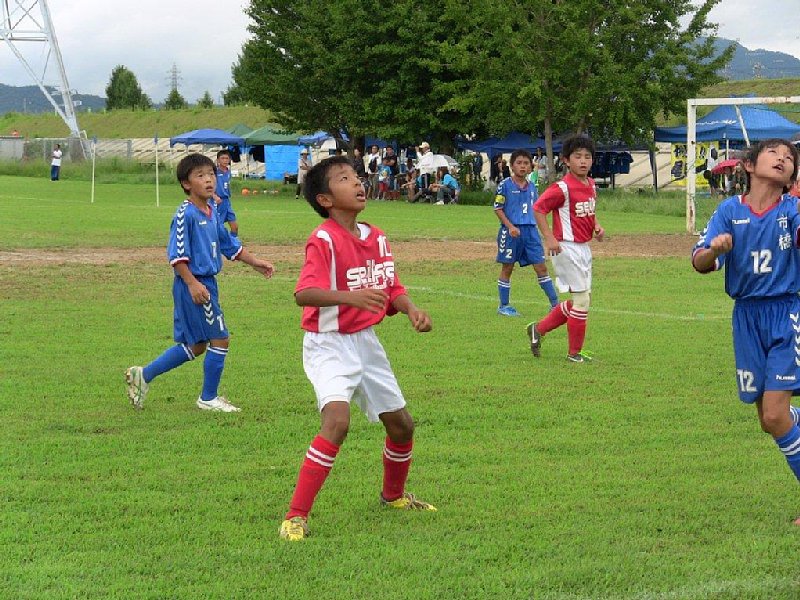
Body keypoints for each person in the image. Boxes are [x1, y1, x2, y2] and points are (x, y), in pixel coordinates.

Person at [279, 155, 436, 541]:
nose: (357, 182)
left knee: (402, 426)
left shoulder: (376, 236)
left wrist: (411, 310)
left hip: (365, 342)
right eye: (344, 179)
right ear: (326, 199)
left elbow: (391, 286)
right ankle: (295, 517)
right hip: (329, 344)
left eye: (356, 176)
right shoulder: (323, 239)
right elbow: (303, 294)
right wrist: (350, 297)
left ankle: (393, 496)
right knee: (337, 422)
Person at [691, 139, 800, 525]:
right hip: (747, 319)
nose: (783, 159)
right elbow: (699, 261)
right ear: (750, 165)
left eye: (789, 158)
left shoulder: (791, 210)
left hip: (787, 313)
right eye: (775, 153)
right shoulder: (728, 211)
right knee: (768, 419)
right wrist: (715, 251)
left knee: (774, 414)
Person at [125, 154, 274, 413]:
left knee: (196, 345)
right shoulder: (185, 215)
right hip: (194, 285)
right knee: (221, 339)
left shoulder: (212, 210)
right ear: (186, 183)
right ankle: (208, 398)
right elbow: (177, 256)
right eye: (200, 175)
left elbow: (228, 244)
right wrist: (193, 284)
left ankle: (144, 375)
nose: (208, 180)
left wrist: (255, 262)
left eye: (211, 174)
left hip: (206, 283)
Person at [526, 135, 605, 363]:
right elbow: (538, 209)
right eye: (577, 156)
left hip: (583, 248)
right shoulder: (562, 187)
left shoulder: (591, 184)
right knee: (582, 301)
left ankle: (538, 329)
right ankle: (573, 354)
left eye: (587, 156)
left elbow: (588, 211)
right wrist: (549, 238)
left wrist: (596, 226)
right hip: (565, 248)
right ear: (566, 160)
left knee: (581, 299)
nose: (583, 161)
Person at [493, 148, 559, 317]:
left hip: (531, 232)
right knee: (508, 267)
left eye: (526, 163)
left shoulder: (532, 187)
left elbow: (537, 210)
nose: (522, 166)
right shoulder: (504, 185)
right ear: (512, 166)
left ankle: (555, 305)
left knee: (541, 267)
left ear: (530, 166)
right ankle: (504, 306)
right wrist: (510, 226)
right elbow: (498, 208)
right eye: (519, 163)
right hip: (511, 233)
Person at [213, 149, 238, 237]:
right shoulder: (214, 173)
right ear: (218, 160)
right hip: (218, 202)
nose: (225, 160)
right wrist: (214, 196)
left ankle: (233, 242)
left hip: (227, 202)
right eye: (222, 158)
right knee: (218, 227)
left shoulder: (228, 172)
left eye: (227, 158)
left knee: (235, 227)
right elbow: (207, 186)